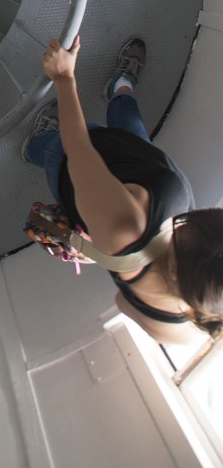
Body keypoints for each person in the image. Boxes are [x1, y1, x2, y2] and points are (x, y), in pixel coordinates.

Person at [22, 35, 223, 345]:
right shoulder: (178, 327)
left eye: (182, 228)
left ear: (174, 268)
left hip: (93, 162)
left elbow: (77, 149)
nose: (182, 220)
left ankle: (36, 143)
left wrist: (63, 78)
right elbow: (122, 302)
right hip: (140, 164)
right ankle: (121, 86)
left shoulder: (125, 229)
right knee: (130, 122)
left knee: (53, 149)